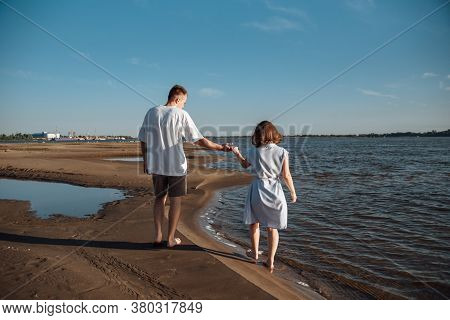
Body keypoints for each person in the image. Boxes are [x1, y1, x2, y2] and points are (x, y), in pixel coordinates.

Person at [138, 84, 232, 248]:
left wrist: (146, 160)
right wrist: (220, 147)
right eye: (184, 102)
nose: (184, 105)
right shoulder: (181, 114)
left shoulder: (152, 112)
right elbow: (199, 139)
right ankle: (171, 238)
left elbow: (143, 139)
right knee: (176, 201)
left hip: (157, 165)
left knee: (160, 198)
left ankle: (158, 236)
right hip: (176, 166)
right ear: (177, 98)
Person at [231, 121, 297, 272]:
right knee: (272, 228)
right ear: (273, 133)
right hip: (275, 191)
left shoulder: (253, 151)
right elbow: (286, 175)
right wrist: (292, 192)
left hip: (258, 189)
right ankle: (270, 261)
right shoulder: (282, 152)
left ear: (259, 135)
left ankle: (254, 254)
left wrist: (237, 153)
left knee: (254, 223)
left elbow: (244, 165)